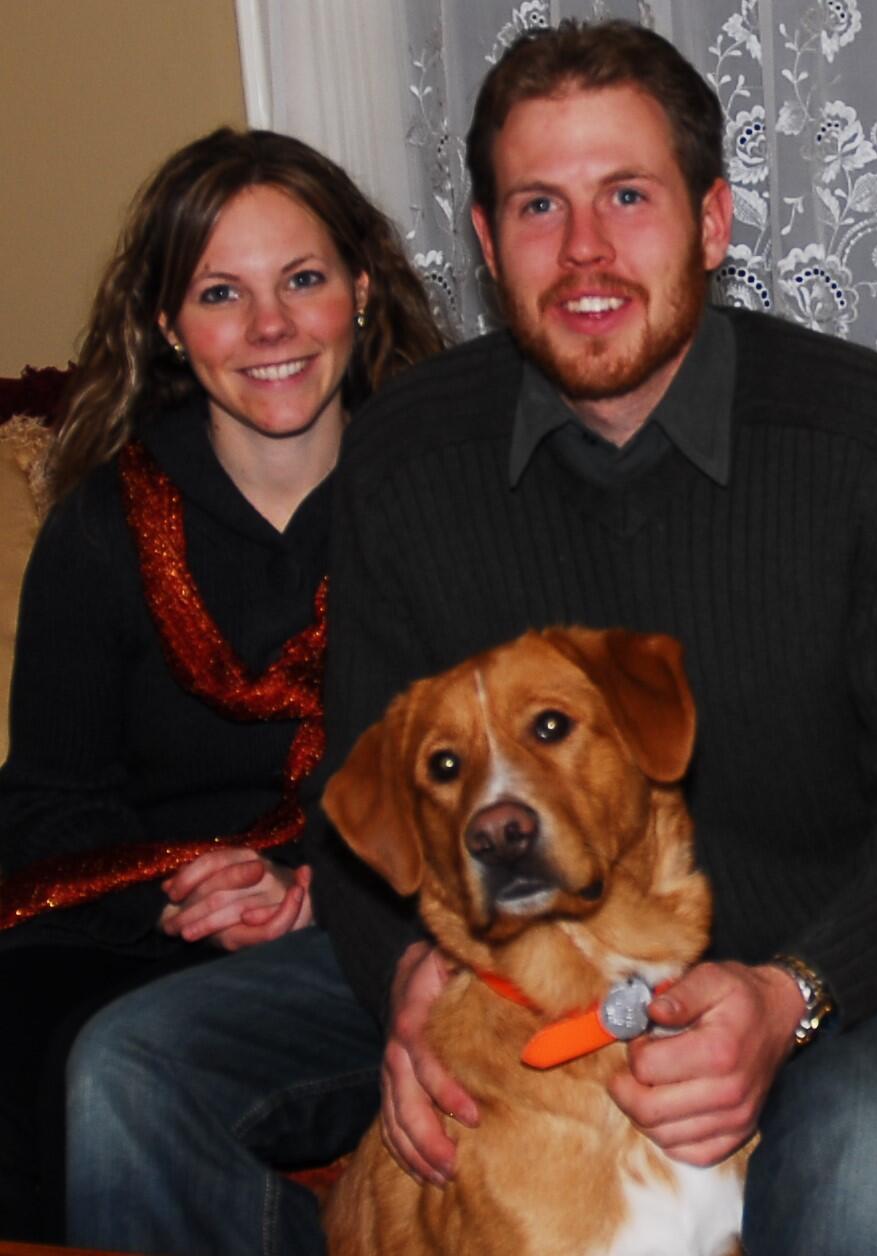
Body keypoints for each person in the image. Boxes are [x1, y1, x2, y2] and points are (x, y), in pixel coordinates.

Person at [65, 21, 877, 1256]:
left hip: (840, 974)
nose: (585, 249)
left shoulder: (865, 438)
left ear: (711, 221)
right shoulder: (409, 453)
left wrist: (788, 993)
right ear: (487, 245)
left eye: (627, 196)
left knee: (865, 1154)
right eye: (540, 206)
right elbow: (360, 796)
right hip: (520, 970)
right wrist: (405, 979)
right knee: (133, 1067)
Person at [0, 126, 443, 1244]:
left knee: (120, 1067)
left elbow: (496, 780)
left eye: (302, 280)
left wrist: (318, 888)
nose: (269, 328)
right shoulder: (104, 526)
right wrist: (188, 890)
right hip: (137, 924)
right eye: (219, 293)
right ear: (167, 322)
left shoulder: (446, 504)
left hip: (377, 938)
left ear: (361, 289)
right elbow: (48, 805)